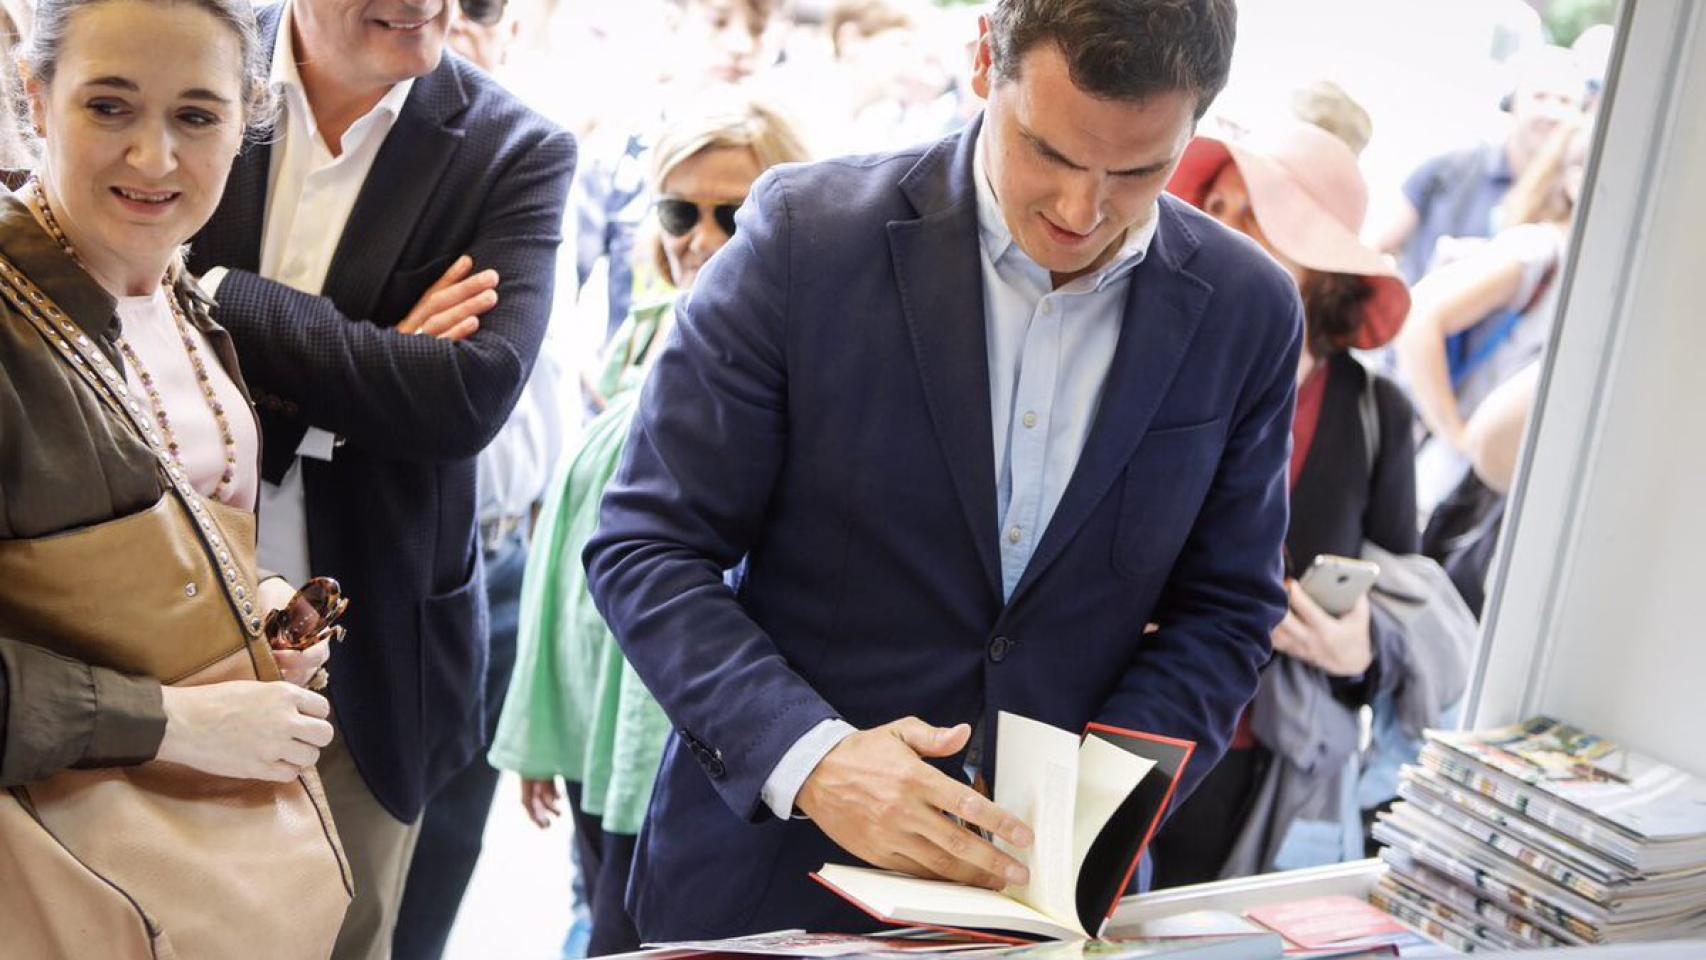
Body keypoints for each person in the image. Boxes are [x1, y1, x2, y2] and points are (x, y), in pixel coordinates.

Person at [586, 0, 1301, 940]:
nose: (1081, 211)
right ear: (981, 65)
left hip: (1049, 904)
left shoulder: (1247, 310)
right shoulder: (805, 238)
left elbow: (1227, 609)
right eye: (1048, 151)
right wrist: (814, 758)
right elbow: (649, 546)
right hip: (768, 881)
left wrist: (1098, 804)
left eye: (1138, 171)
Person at [184, 0, 576, 955]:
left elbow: (464, 402)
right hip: (161, 615)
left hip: (370, 657)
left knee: (347, 935)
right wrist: (376, 365)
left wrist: (217, 293)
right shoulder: (192, 69)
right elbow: (102, 316)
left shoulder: (514, 149)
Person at [0, 0, 347, 953]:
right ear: (36, 98)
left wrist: (257, 604)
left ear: (246, 120)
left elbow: (174, 530)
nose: (154, 159)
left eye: (196, 116)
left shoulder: (175, 292)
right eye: (110, 106)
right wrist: (170, 725)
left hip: (185, 861)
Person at [492, 94, 811, 957]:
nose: (700, 239)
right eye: (679, 210)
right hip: (599, 728)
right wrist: (542, 735)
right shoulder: (638, 337)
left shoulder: (788, 364)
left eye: (732, 214)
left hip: (684, 742)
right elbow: (568, 558)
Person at [1152, 122, 1419, 884]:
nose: (1219, 231)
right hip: (1115, 728)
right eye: (1216, 205)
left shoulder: (1374, 413)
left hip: (1263, 760)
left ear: (1324, 265)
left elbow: (1401, 594)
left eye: (1255, 217)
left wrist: (1361, 650)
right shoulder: (1148, 360)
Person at [390, 3, 579, 957]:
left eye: (481, 7)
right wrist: (392, 361)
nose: (449, 20)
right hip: (387, 548)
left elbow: (526, 387)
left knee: (450, 843)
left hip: (509, 554)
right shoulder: (381, 162)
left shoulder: (530, 161)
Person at [1395, 117, 1589, 521]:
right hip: (1454, 484)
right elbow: (1420, 319)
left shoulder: (1584, 270)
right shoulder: (1538, 250)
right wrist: (1458, 436)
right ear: (1571, 181)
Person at [572, 0, 780, 345]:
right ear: (675, 21)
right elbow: (562, 281)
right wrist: (575, 360)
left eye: (757, 29)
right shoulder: (622, 148)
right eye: (718, 22)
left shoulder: (793, 158)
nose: (741, 46)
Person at [1370, 45, 1587, 284]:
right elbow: (1377, 246)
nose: (1552, 113)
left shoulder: (1574, 201)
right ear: (1512, 103)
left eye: (1565, 102)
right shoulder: (1450, 170)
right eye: (1540, 97)